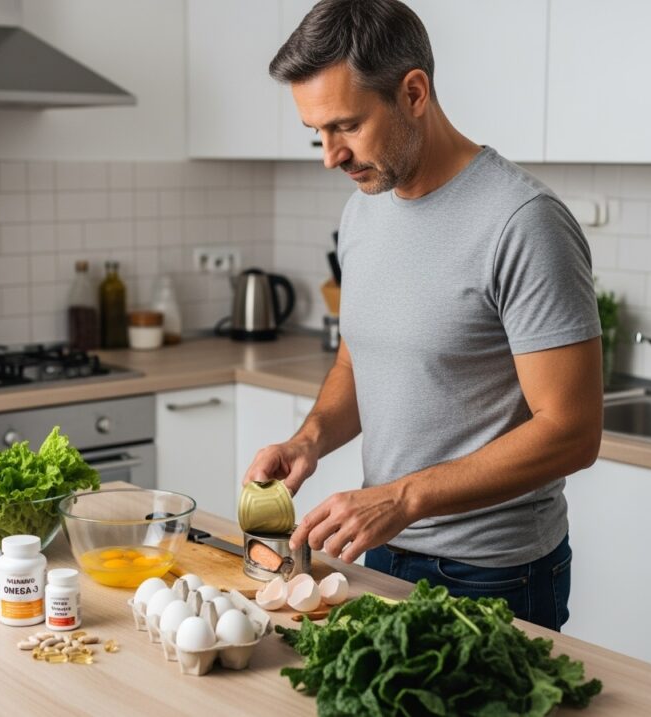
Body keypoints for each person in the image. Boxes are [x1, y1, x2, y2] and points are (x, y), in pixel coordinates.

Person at [242, 0, 603, 631]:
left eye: (346, 126)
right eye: (317, 133)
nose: (330, 155)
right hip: (378, 552)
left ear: (413, 92)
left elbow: (572, 430)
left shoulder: (523, 224)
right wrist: (310, 439)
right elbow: (360, 356)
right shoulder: (365, 207)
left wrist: (401, 497)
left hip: (492, 575)